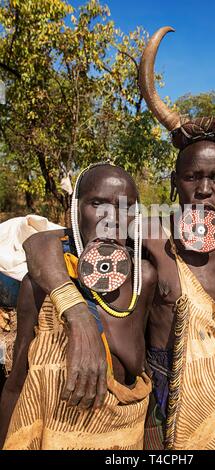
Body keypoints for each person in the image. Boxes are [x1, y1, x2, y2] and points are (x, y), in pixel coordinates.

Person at [17, 23, 215, 450]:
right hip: (157, 388)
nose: (205, 189)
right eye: (192, 177)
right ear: (176, 182)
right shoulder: (148, 230)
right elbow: (43, 243)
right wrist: (76, 314)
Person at [0, 164, 156, 450]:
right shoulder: (38, 289)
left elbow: (152, 371)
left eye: (125, 207)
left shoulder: (143, 280)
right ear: (75, 212)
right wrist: (80, 317)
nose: (111, 219)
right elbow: (15, 385)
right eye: (97, 203)